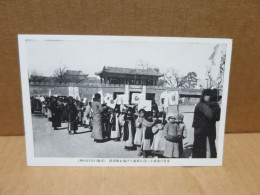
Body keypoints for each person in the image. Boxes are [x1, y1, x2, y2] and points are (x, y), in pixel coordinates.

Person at [192, 89, 215, 158]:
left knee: (198, 145)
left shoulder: (200, 104)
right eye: (207, 95)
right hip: (201, 129)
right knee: (200, 146)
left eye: (210, 96)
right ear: (203, 96)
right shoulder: (202, 105)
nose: (209, 97)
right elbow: (210, 115)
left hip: (199, 128)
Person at [207, 89, 221, 158]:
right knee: (212, 141)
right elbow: (218, 118)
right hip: (212, 125)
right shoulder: (216, 105)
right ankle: (212, 156)